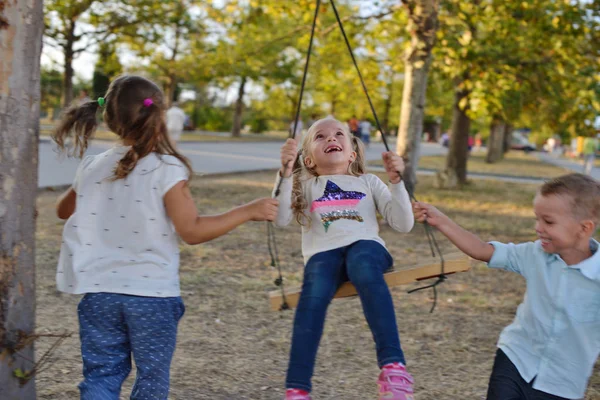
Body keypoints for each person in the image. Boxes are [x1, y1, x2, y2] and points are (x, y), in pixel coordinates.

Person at [51, 74, 279, 399]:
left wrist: (89, 185)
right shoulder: (167, 168)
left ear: (109, 118)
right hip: (152, 296)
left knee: (101, 376)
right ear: (159, 116)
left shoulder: (92, 165)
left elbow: (62, 211)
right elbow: (192, 231)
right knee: (151, 380)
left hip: (99, 294)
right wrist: (247, 211)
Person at [412, 173, 600, 400]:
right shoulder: (535, 254)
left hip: (563, 383)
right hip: (516, 360)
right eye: (537, 218)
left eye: (548, 221)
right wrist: (440, 220)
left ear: (584, 228)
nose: (538, 228)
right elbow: (482, 250)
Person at [274, 117, 415, 400]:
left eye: (339, 134)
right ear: (309, 159)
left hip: (367, 248)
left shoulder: (368, 181)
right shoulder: (305, 184)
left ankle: (393, 368)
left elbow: (403, 224)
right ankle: (297, 387)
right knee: (312, 295)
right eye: (320, 137)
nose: (331, 139)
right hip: (323, 256)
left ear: (352, 153)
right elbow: (280, 219)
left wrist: (397, 182)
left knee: (361, 263)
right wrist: (285, 173)